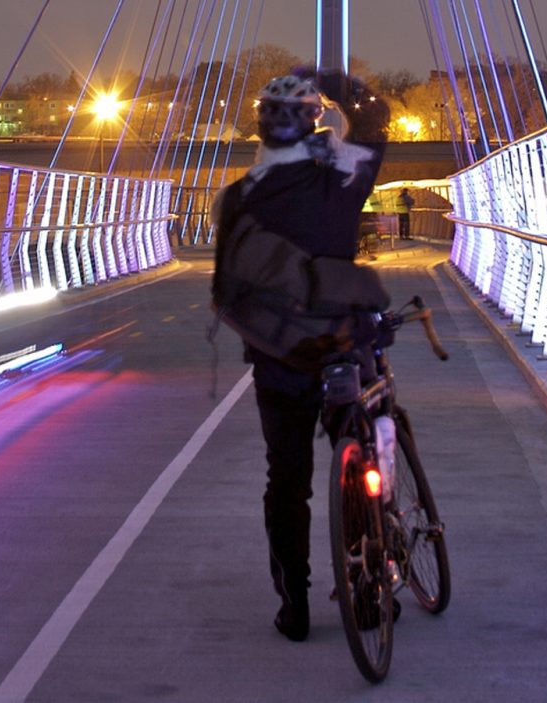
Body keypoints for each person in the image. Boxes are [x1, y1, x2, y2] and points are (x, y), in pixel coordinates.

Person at [211, 72, 389, 642]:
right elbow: (375, 120)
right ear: (315, 120)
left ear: (260, 125)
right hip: (344, 349)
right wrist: (331, 80)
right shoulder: (342, 179)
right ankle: (368, 589)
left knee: (286, 481)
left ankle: (295, 607)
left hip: (280, 359)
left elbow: (227, 292)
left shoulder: (236, 200)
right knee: (363, 454)